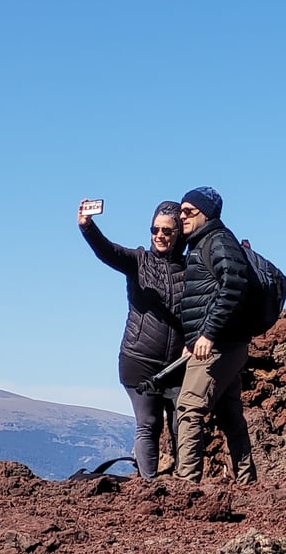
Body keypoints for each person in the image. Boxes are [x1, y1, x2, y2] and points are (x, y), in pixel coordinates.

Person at [78, 199, 187, 480]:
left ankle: (184, 486)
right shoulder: (138, 261)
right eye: (155, 230)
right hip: (138, 359)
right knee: (148, 424)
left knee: (181, 425)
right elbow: (108, 251)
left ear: (180, 234)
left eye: (167, 231)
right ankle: (149, 488)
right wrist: (88, 227)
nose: (160, 236)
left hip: (178, 364)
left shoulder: (191, 270)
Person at [174, 186, 257, 483]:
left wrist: (207, 334)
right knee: (229, 414)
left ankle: (187, 485)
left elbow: (234, 285)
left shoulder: (218, 241)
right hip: (221, 342)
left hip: (218, 344)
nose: (181, 217)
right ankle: (247, 482)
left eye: (188, 212)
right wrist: (192, 339)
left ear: (205, 213)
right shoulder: (202, 243)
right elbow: (208, 295)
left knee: (189, 408)